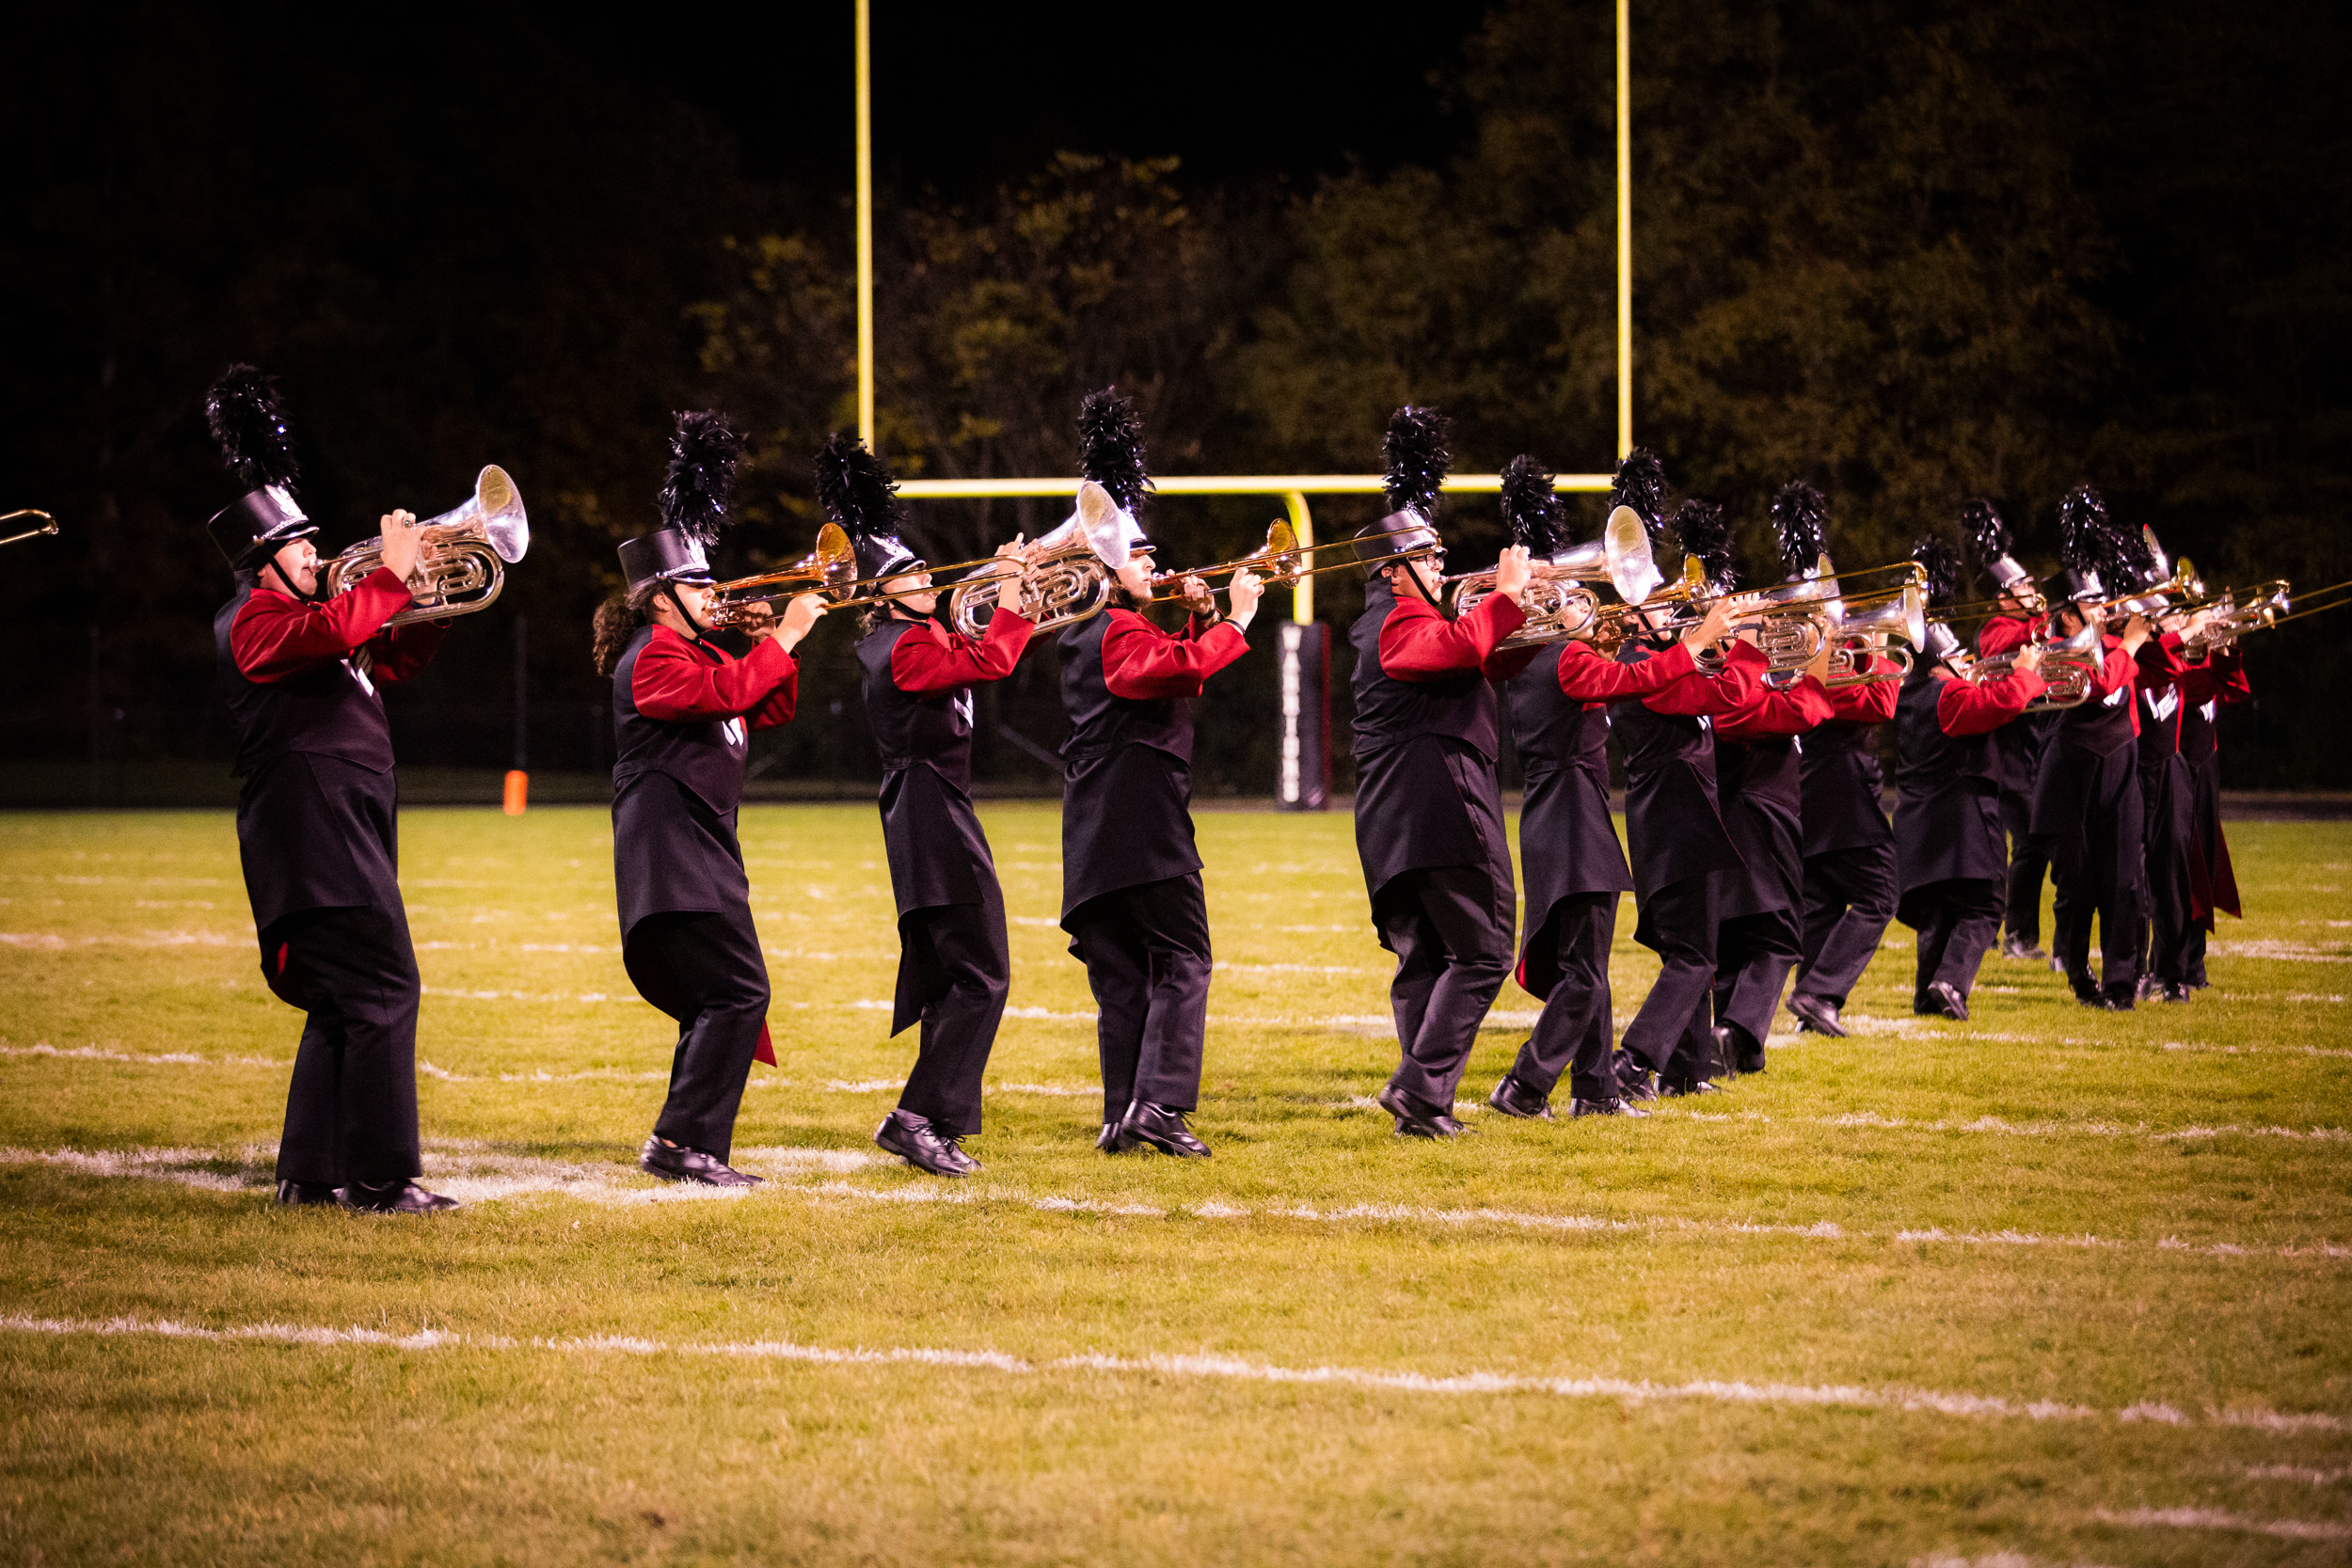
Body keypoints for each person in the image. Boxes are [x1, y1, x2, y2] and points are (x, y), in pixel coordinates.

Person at [202, 363, 459, 1212]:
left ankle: (309, 1176)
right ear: (263, 562)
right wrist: (388, 573)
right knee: (386, 986)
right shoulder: (254, 620)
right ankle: (382, 1178)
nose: (318, 552)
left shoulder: (315, 624)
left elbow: (390, 655)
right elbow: (341, 628)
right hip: (313, 829)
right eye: (300, 544)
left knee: (346, 999)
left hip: (341, 820)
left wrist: (423, 596)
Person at [596, 411, 823, 1186]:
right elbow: (727, 693)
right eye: (697, 584)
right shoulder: (652, 657)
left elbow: (767, 705)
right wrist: (782, 637)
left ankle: (688, 1144)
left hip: (704, 856)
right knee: (737, 992)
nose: (714, 592)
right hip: (674, 859)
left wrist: (764, 640)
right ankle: (680, 1142)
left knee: (723, 996)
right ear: (662, 599)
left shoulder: (696, 652)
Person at [1489, 451, 1742, 1119]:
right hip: (1574, 818)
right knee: (1583, 973)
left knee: (1587, 967)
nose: (1588, 601)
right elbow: (1633, 679)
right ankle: (1524, 1084)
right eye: (1573, 596)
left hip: (1556, 816)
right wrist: (1693, 643)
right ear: (1549, 605)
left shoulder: (1534, 659)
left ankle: (1596, 1090)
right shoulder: (1565, 658)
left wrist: (1610, 638)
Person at [1057, 391, 1259, 1157]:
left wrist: (1201, 619)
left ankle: (1123, 1116)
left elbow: (1165, 669)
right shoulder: (1115, 630)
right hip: (1142, 823)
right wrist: (1236, 619)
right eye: (1141, 555)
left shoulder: (1093, 632)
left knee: (1124, 979)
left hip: (1097, 830)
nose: (1158, 565)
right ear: (1108, 567)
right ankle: (1160, 1104)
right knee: (1185, 958)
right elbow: (1164, 671)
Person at [831, 435, 1036, 1177]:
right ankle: (915, 1116)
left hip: (934, 809)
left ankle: (933, 1123)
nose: (925, 577)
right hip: (929, 813)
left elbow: (984, 649)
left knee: (959, 976)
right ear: (881, 595)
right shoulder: (901, 647)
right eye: (909, 574)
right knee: (983, 972)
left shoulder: (923, 635)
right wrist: (1005, 594)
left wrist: (1018, 588)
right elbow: (993, 658)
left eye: (922, 568)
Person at [1346, 406, 1536, 1138]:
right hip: (1440, 802)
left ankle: (1422, 1105)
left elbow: (1481, 658)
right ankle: (1421, 1089)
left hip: (1393, 817)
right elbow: (1452, 649)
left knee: (1424, 956)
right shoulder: (1398, 620)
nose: (1442, 568)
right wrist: (1506, 596)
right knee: (1485, 949)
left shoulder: (1392, 620)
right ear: (1392, 572)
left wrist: (1524, 615)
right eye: (1427, 559)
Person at [1611, 499, 1767, 1100]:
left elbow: (1720, 686)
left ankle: (1687, 1070)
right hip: (1673, 822)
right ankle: (1633, 1062)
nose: (1674, 612)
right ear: (1633, 616)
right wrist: (1746, 643)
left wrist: (1723, 645)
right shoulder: (1641, 667)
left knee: (1695, 949)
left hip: (1683, 819)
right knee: (1695, 955)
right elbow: (1727, 698)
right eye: (1659, 605)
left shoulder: (1663, 661)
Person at [1778, 482, 1899, 1041]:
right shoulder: (1813, 665)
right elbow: (1881, 703)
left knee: (1823, 898)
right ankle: (1820, 992)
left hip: (1813, 787)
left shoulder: (1814, 660)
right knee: (1880, 892)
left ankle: (1812, 998)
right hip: (1840, 787)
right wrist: (1878, 651)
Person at [1894, 595, 2050, 1019]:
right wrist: (2024, 673)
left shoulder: (1909, 696)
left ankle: (1927, 996)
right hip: (1962, 815)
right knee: (1986, 904)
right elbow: (1998, 704)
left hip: (1921, 819)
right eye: (1958, 657)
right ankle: (1951, 983)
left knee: (1939, 909)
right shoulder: (1947, 692)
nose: (1967, 663)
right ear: (1940, 663)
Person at [2030, 487, 2154, 1009]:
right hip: (2071, 773)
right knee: (2077, 883)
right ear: (2067, 618)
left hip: (2120, 764)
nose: (2103, 611)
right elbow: (2100, 683)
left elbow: (2162, 658)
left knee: (2125, 879)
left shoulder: (2113, 643)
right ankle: (2080, 975)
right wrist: (2132, 642)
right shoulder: (2055, 651)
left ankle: (2123, 982)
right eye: (2091, 605)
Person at [1963, 500, 2053, 963]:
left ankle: (2010, 931)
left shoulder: (2033, 623)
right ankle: (2009, 932)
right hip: (2007, 751)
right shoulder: (1995, 630)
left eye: (2031, 585)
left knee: (2032, 842)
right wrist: (2044, 622)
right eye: (2022, 587)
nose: (2032, 592)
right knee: (2021, 842)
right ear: (2003, 599)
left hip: (2034, 745)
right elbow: (2008, 646)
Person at [2175, 638, 2250, 987]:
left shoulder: (2201, 656)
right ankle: (2165, 964)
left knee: (2204, 864)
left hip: (2205, 766)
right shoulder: (2161, 656)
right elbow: (2192, 689)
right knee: (2174, 867)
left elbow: (2236, 690)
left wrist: (2224, 651)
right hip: (2174, 764)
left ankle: (2193, 963)